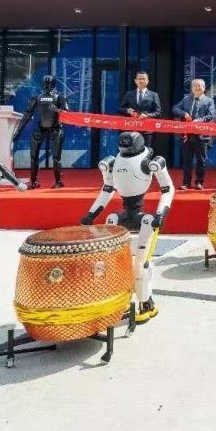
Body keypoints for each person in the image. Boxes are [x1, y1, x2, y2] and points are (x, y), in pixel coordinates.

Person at [80, 131, 173, 324]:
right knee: (110, 262)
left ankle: (146, 303)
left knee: (140, 266)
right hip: (122, 214)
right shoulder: (113, 162)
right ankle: (117, 301)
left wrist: (161, 214)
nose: (124, 145)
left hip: (145, 219)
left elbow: (168, 188)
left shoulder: (150, 161)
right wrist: (91, 214)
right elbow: (107, 189)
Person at [14, 75, 69, 189]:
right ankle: (34, 182)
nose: (47, 86)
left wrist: (57, 110)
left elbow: (68, 114)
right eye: (46, 84)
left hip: (55, 128)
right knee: (34, 156)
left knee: (55, 157)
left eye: (49, 84)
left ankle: (57, 182)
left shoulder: (59, 97)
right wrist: (18, 131)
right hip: (41, 128)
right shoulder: (37, 98)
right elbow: (27, 115)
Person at [172, 78, 215, 190]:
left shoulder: (209, 101)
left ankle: (199, 182)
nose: (197, 87)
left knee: (201, 160)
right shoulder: (186, 99)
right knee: (187, 160)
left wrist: (198, 121)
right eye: (195, 86)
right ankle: (186, 183)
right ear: (192, 88)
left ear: (204, 88)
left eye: (199, 86)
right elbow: (175, 109)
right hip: (187, 135)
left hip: (201, 135)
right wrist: (184, 113)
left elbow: (210, 115)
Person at [119, 71, 161, 146]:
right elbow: (120, 108)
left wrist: (147, 115)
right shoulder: (129, 94)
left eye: (144, 79)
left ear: (147, 81)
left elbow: (158, 112)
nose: (141, 81)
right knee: (131, 151)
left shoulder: (154, 95)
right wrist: (127, 110)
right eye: (139, 79)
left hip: (147, 131)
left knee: (146, 151)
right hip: (131, 129)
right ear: (135, 81)